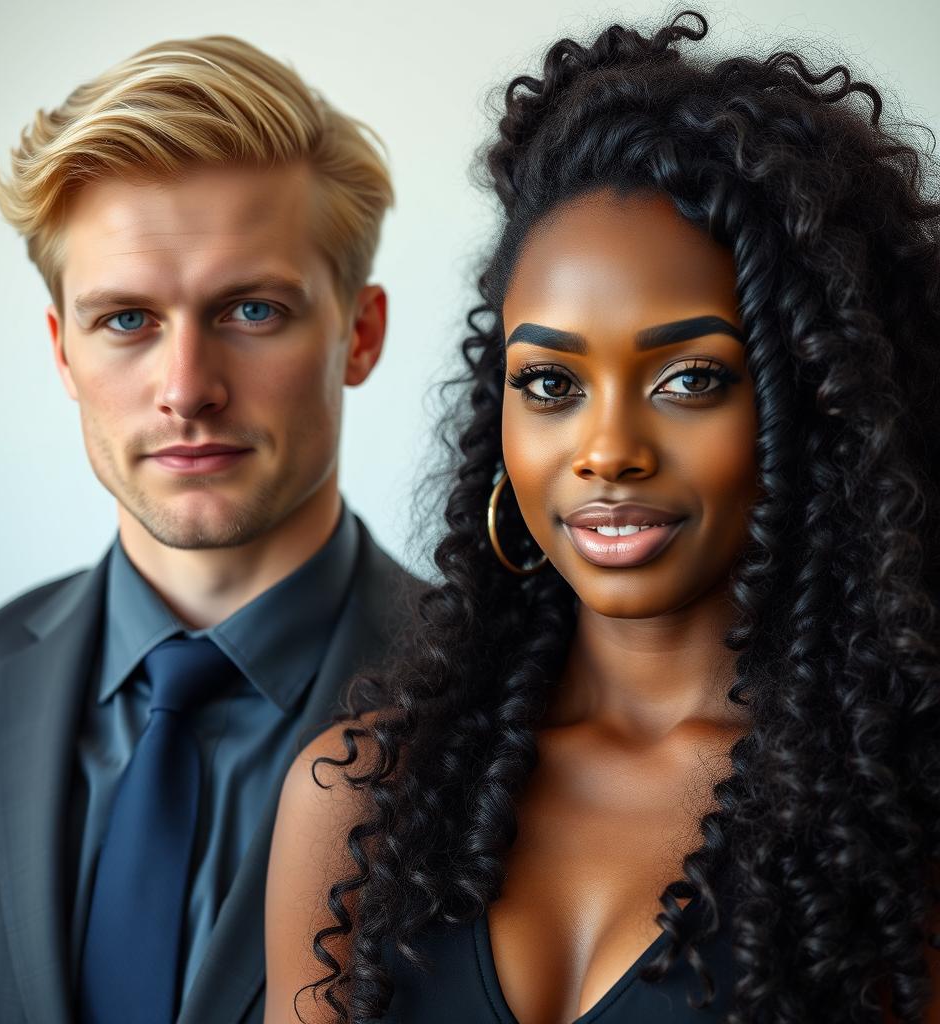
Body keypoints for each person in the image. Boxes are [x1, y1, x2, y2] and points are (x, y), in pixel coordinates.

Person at [264, 11, 940, 1024]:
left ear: (817, 410)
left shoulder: (896, 826)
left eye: (690, 378)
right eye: (549, 384)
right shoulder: (360, 798)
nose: (606, 448)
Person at [0, 35, 419, 1024]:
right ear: (62, 351)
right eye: (126, 321)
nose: (187, 388)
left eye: (252, 309)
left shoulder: (528, 714)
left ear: (359, 334)